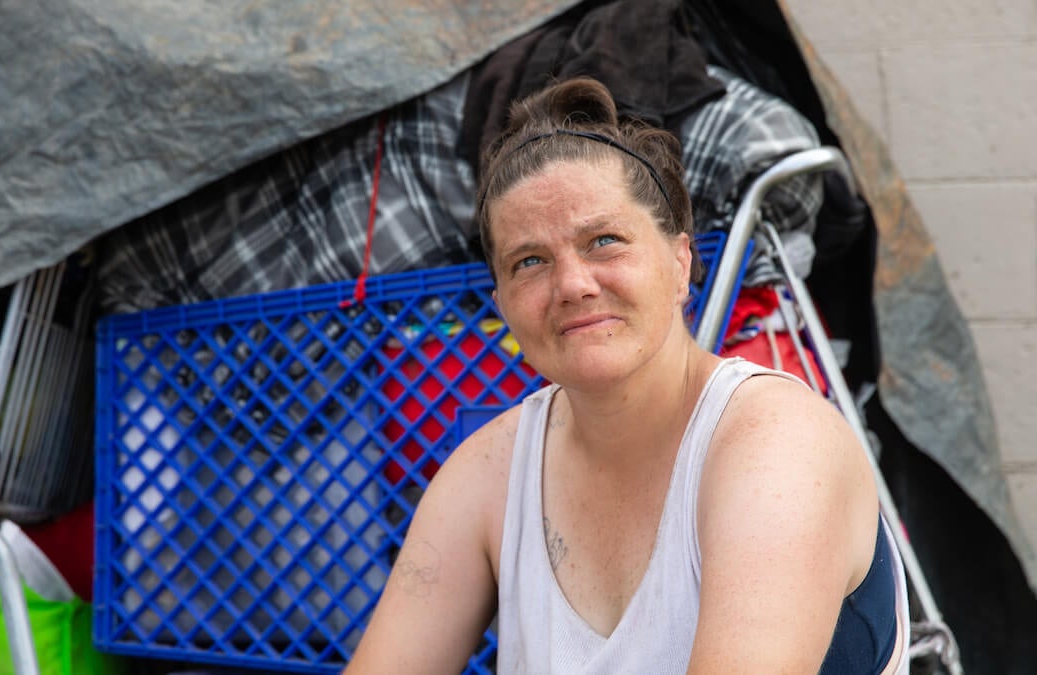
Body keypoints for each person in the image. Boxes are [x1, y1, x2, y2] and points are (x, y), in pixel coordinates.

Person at [346, 77, 908, 674]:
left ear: (680, 261)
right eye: (530, 261)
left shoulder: (776, 443)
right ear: (502, 302)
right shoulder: (488, 474)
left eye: (605, 241)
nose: (572, 285)